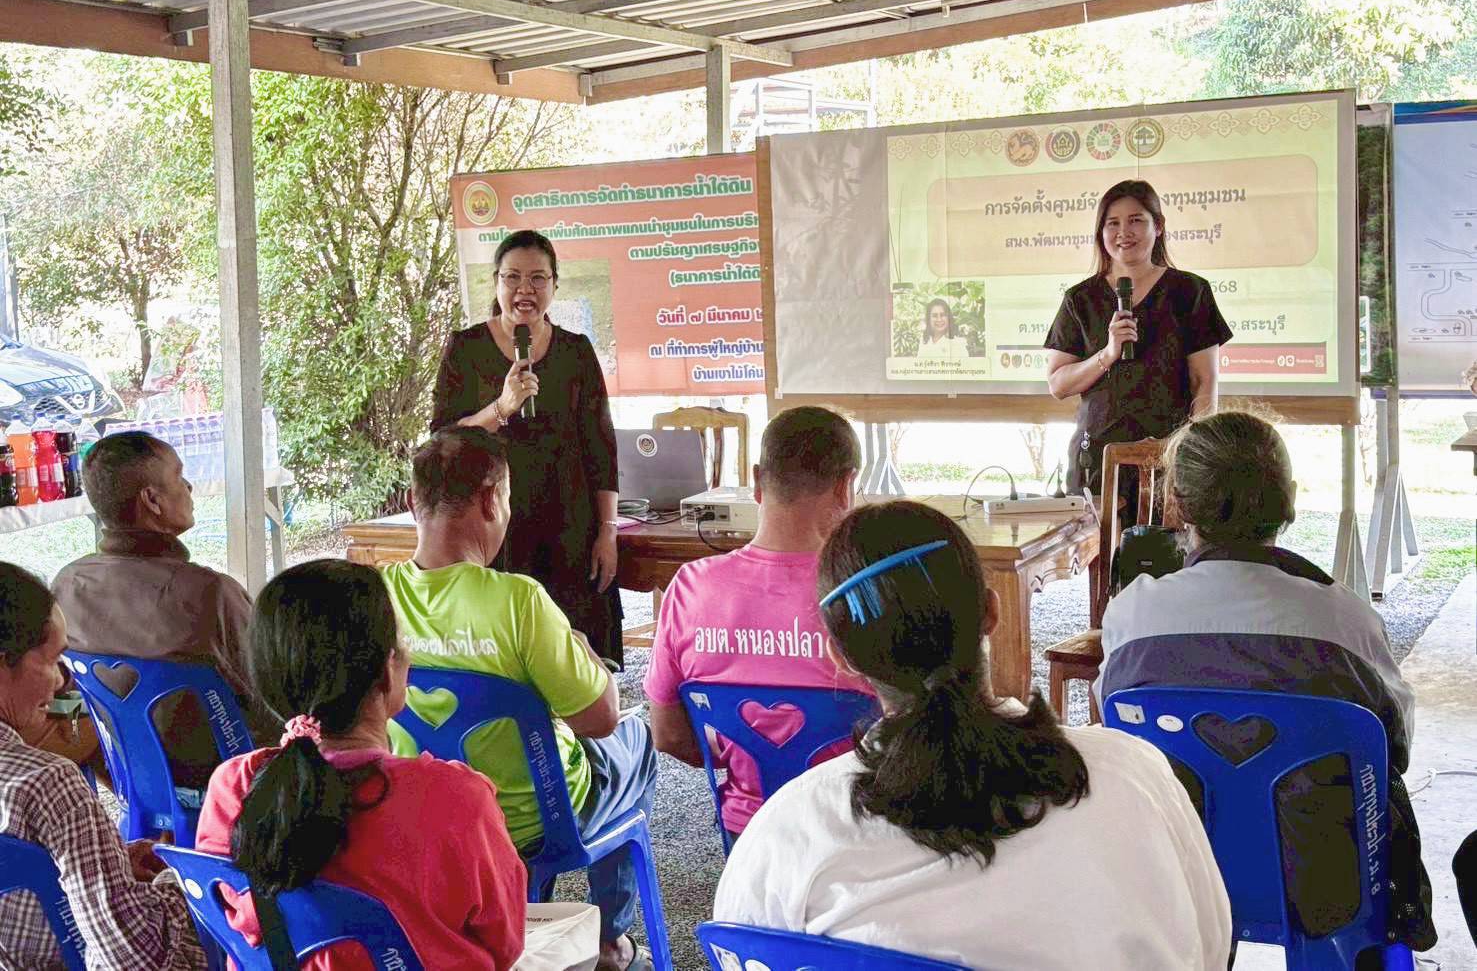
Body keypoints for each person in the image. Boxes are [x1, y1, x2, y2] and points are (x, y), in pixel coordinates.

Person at [714, 501, 1231, 969]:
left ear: (841, 657)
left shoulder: (789, 833)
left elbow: (741, 954)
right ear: (991, 610)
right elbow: (1210, 945)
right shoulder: (1133, 775)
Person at [1097, 410, 1436, 956]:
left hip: (1179, 872)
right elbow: (1393, 745)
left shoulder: (1133, 615)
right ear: (1289, 499)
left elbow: (1120, 737)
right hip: (1325, 882)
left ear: (1178, 505)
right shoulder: (1342, 619)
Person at [382, 426, 657, 971]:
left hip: (426, 815)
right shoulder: (519, 602)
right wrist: (591, 660)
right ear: (491, 500)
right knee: (638, 739)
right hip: (539, 817)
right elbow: (599, 719)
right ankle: (608, 940)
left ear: (413, 501)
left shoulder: (377, 596)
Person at [194, 560, 528, 970]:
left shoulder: (233, 788)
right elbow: (505, 944)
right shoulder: (457, 799)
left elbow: (232, 924)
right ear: (387, 670)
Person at [644, 406, 873, 838]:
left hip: (748, 834)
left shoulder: (689, 588)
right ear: (846, 488)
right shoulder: (866, 594)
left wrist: (753, 756)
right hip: (854, 827)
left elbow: (667, 734)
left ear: (756, 481)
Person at [431, 228, 624, 665]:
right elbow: (442, 439)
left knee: (580, 660)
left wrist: (608, 531)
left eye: (538, 278)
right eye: (513, 277)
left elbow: (601, 448)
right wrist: (500, 408)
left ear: (554, 285)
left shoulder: (576, 351)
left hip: (571, 527)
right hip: (495, 527)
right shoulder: (466, 349)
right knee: (509, 658)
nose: (525, 289)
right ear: (496, 283)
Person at [0, 562, 207, 971]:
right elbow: (134, 960)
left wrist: (109, 861)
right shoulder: (47, 783)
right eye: (52, 660)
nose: (62, 681)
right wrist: (178, 880)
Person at [52, 430, 272, 786]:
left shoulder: (68, 584)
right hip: (229, 781)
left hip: (137, 779)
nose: (189, 487)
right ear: (152, 500)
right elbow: (269, 692)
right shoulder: (208, 593)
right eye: (179, 476)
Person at [1044, 180, 1233, 498]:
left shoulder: (1190, 291)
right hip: (1097, 459)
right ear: (1101, 232)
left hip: (1170, 458)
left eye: (1135, 220)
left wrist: (1195, 452)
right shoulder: (1081, 298)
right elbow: (1058, 385)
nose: (1123, 232)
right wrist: (1108, 353)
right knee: (1096, 533)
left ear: (1158, 226)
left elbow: (1204, 381)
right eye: (1112, 223)